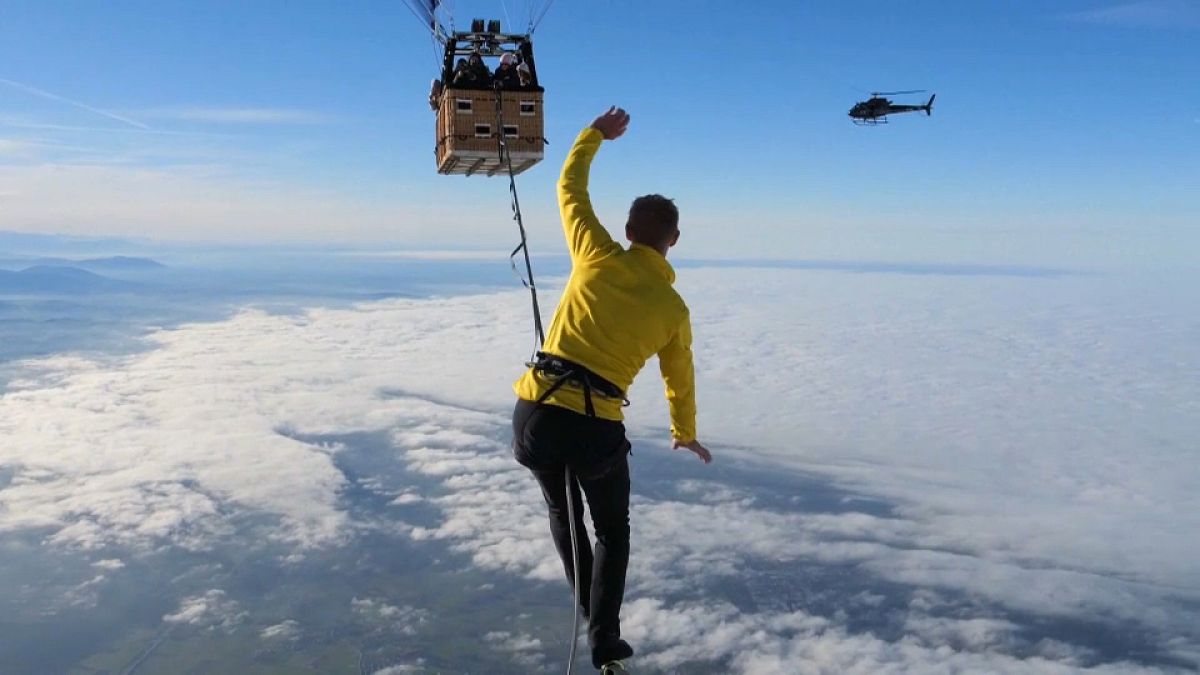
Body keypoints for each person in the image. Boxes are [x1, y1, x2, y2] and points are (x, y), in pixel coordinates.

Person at [511, 106, 713, 670]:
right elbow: (680, 375)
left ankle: (587, 606)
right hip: (595, 427)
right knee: (612, 535)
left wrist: (594, 135)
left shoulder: (596, 253)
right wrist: (684, 433)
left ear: (628, 233)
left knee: (562, 511)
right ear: (674, 240)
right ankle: (603, 640)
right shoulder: (673, 308)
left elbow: (569, 187)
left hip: (536, 412)